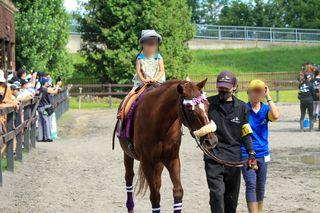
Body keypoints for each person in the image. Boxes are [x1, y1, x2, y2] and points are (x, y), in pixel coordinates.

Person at [206, 71, 256, 213]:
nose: (222, 90)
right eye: (220, 86)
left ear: (234, 87)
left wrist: (251, 152)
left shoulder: (242, 107)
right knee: (216, 195)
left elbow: (246, 132)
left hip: (234, 159)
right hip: (213, 158)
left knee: (231, 200)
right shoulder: (208, 104)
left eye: (226, 87)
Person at [241, 80, 280, 213]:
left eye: (260, 91)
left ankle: (260, 210)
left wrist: (268, 97)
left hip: (263, 153)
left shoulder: (265, 109)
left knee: (260, 186)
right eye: (254, 91)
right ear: (248, 93)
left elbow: (275, 116)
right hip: (246, 153)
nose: (257, 94)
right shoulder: (244, 109)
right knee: (251, 184)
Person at [118, 29, 165, 120]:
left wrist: (155, 79)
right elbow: (139, 71)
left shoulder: (159, 57)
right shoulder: (140, 58)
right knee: (131, 94)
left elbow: (161, 70)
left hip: (157, 81)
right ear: (143, 44)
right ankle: (123, 111)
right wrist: (143, 80)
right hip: (142, 82)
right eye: (149, 44)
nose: (151, 47)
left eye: (154, 44)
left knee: (167, 95)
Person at [37, 77, 61, 142]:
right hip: (46, 108)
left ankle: (40, 137)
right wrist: (57, 86)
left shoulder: (39, 89)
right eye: (47, 82)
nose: (48, 83)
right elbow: (55, 92)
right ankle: (47, 137)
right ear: (45, 83)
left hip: (39, 107)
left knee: (40, 122)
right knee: (46, 122)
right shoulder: (46, 89)